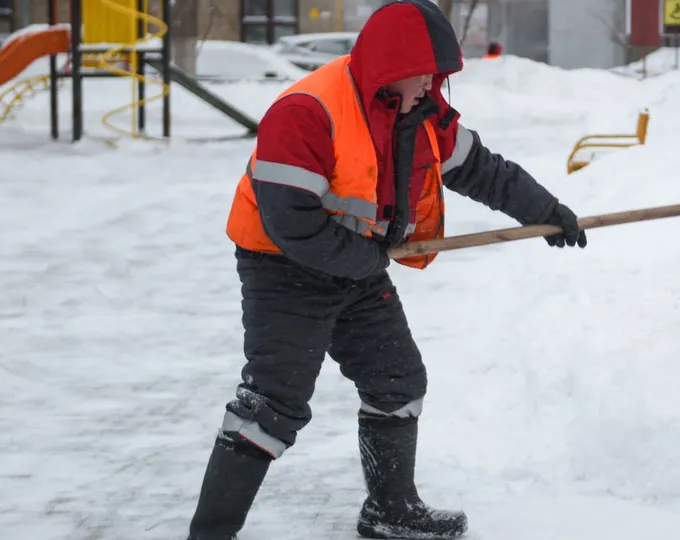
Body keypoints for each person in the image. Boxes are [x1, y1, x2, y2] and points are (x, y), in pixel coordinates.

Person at [185, 1, 586, 539]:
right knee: (272, 406)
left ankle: (390, 513)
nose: (434, 84)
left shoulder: (420, 111)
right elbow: (291, 222)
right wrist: (365, 258)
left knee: (396, 380)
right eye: (429, 72)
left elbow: (483, 170)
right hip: (283, 267)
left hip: (355, 264)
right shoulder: (308, 109)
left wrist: (545, 212)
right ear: (394, 65)